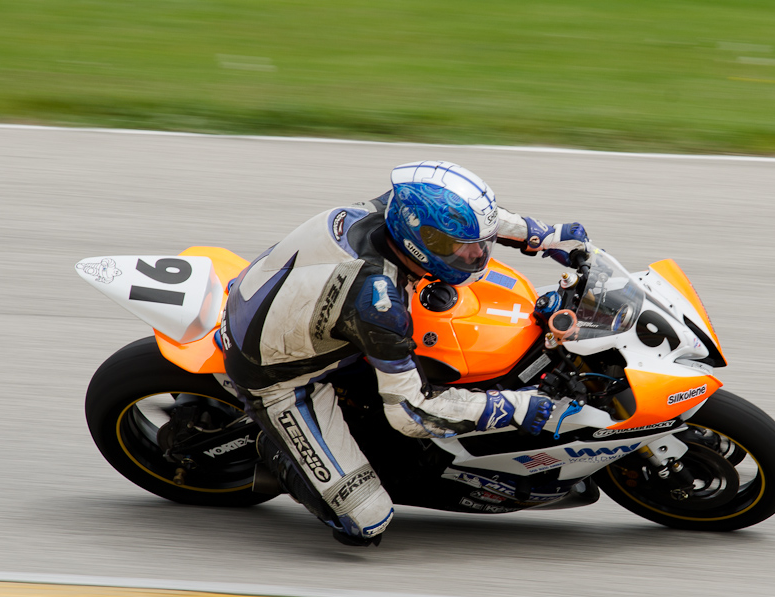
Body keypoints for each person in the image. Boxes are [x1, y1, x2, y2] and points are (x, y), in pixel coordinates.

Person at [219, 161, 588, 546]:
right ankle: (274, 448)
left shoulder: (396, 208)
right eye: (460, 248)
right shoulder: (377, 305)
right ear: (420, 240)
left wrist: (540, 235)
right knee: (366, 522)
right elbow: (412, 413)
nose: (475, 255)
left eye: (479, 245)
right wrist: (515, 407)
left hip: (286, 302)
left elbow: (472, 222)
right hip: (278, 375)